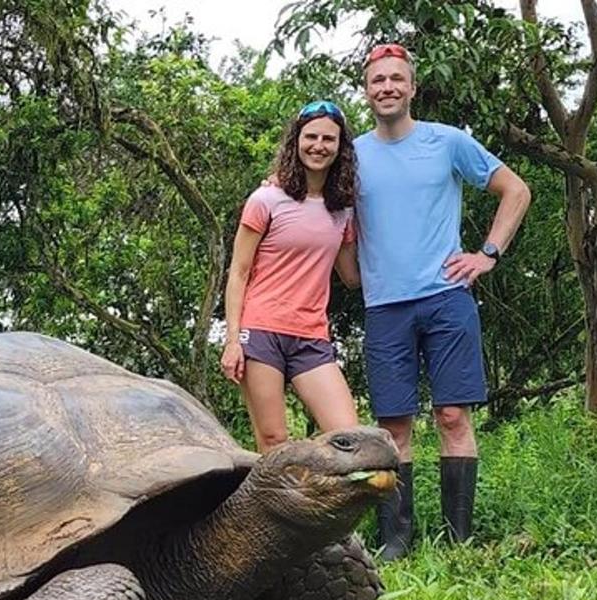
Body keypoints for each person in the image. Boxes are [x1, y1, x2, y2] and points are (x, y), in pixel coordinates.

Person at [355, 43, 532, 560]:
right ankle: (397, 539)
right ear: (367, 91)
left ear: (412, 87)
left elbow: (514, 190)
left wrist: (488, 254)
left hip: (446, 297)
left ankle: (459, 541)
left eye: (396, 79)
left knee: (453, 416)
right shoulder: (354, 153)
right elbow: (315, 196)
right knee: (393, 426)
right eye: (377, 81)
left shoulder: (447, 141)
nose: (387, 87)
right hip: (385, 305)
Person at [221, 100, 362, 452]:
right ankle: (273, 509)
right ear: (295, 141)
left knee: (351, 439)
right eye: (310, 136)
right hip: (261, 332)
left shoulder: (343, 209)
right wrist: (233, 340)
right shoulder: (266, 199)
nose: (319, 145)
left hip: (311, 336)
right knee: (273, 441)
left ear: (340, 147)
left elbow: (352, 277)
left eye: (328, 139)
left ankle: (319, 507)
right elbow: (238, 272)